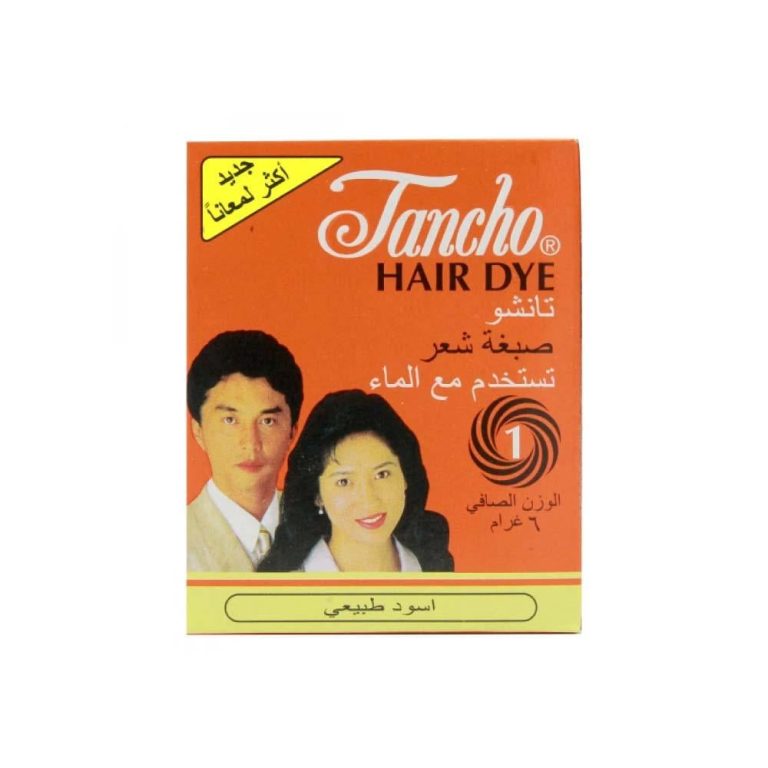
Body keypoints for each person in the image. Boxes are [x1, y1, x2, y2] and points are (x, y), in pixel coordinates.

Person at [258, 390, 454, 572]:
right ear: (317, 495)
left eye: (382, 474)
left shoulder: (436, 574)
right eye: (344, 481)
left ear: (405, 478)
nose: (368, 498)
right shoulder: (282, 588)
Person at [187, 330, 303, 571]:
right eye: (230, 420)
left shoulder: (330, 533)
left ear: (292, 431)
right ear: (198, 430)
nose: (251, 443)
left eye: (267, 421)